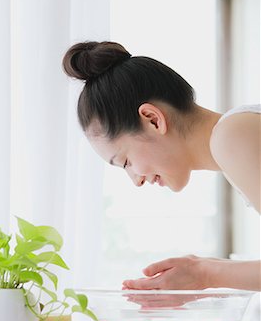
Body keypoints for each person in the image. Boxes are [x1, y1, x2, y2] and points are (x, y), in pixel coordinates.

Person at [62, 40, 261, 291]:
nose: (136, 180)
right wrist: (199, 267)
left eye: (126, 162)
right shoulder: (235, 139)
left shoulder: (232, 136)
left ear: (153, 120)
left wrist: (204, 272)